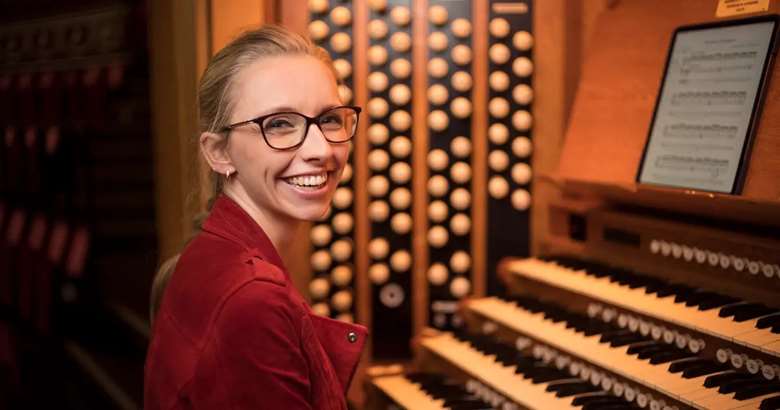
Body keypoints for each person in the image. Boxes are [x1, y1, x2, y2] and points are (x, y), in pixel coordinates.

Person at [144, 25, 366, 409]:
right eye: (279, 124)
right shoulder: (253, 302)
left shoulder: (209, 252)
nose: (321, 150)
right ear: (219, 153)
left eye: (330, 119)